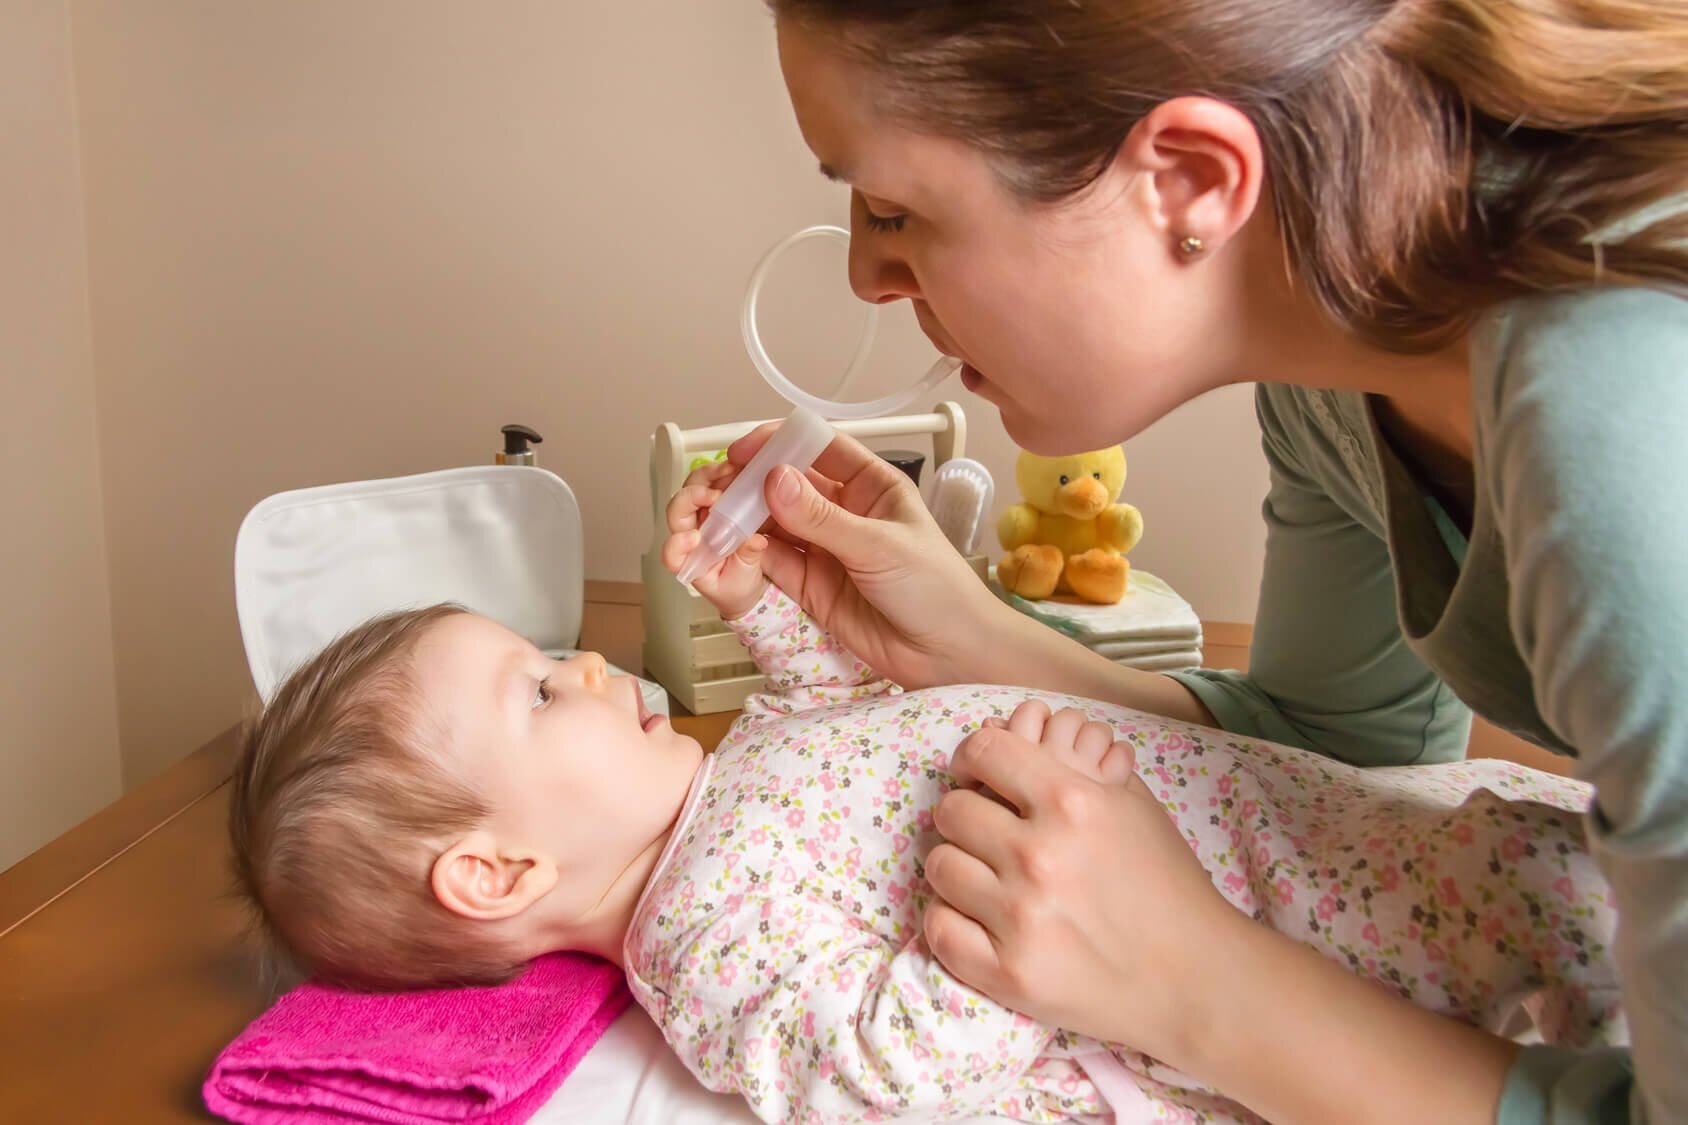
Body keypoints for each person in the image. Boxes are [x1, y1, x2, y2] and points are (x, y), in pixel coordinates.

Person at [705, 1, 1688, 1122]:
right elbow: (1335, 753)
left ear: (1184, 179)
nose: (866, 277)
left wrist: (1184, 981)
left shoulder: (1630, 417)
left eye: (891, 208)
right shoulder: (1337, 389)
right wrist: (969, 643)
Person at [227, 483, 1620, 1123]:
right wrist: (1027, 938)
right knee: (1530, 934)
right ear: (496, 872)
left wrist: (768, 609)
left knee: (1502, 846)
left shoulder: (723, 782)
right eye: (540, 693)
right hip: (1266, 918)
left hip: (1294, 817)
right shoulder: (704, 943)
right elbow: (886, 1074)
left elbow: (838, 715)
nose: (589, 661)